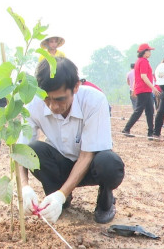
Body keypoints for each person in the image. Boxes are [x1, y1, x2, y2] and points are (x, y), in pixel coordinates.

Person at [18, 57, 125, 224]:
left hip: (90, 166)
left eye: (60, 99)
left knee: (109, 163)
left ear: (75, 86)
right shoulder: (33, 104)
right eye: (47, 98)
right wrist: (24, 187)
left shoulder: (94, 101)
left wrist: (61, 195)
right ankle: (58, 195)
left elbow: (86, 155)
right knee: (34, 150)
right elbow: (21, 150)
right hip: (60, 164)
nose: (53, 106)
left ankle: (105, 201)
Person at [122, 44, 161, 139]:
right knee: (139, 110)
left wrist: (135, 88)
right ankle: (126, 129)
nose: (150, 52)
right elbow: (143, 76)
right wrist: (153, 87)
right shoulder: (143, 62)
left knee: (149, 111)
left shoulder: (140, 61)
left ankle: (150, 133)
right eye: (149, 51)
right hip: (144, 89)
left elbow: (138, 77)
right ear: (144, 52)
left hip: (144, 89)